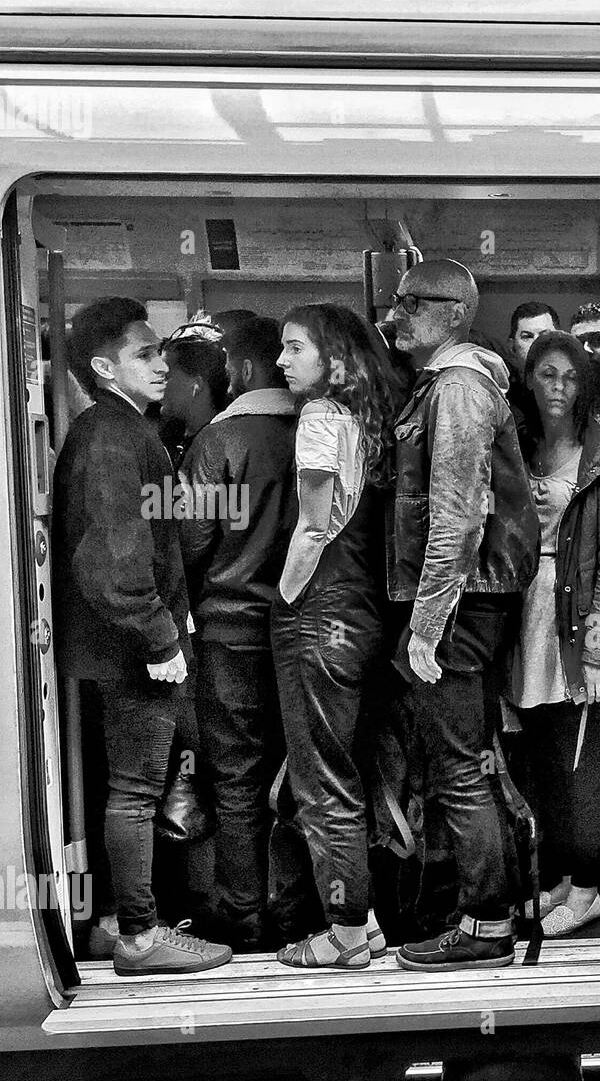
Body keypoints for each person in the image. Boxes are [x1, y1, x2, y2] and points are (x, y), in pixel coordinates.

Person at [53, 297, 231, 975]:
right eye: (145, 354)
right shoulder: (113, 438)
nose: (162, 365)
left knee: (125, 789)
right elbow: (111, 558)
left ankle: (113, 922)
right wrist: (161, 639)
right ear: (104, 368)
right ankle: (139, 936)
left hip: (120, 643)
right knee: (137, 792)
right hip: (133, 650)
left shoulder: (118, 430)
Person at [386, 259, 539, 970]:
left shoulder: (459, 387)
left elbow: (457, 515)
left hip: (461, 598)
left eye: (411, 302)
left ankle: (485, 925)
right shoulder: (449, 382)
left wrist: (426, 624)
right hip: (467, 595)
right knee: (460, 759)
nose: (397, 313)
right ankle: (481, 913)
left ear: (452, 313)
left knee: (456, 766)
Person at [271, 304, 397, 969]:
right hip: (366, 610)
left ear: (334, 358)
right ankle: (365, 921)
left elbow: (315, 525)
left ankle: (345, 934)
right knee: (347, 770)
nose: (281, 361)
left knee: (322, 781)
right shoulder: (369, 417)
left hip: (320, 608)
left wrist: (285, 597)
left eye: (296, 348)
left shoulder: (320, 416)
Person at [509, 330, 600, 938]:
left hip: (578, 623)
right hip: (528, 616)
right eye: (547, 375)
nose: (558, 387)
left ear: (585, 386)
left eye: (570, 377)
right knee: (548, 763)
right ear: (529, 380)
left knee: (582, 764)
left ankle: (588, 892)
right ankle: (564, 876)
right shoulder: (520, 444)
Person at [179, 315, 297, 951]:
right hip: (304, 631)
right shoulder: (321, 428)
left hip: (230, 631)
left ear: (243, 370)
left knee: (237, 778)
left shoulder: (219, 442)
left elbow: (191, 541)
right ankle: (305, 910)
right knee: (304, 775)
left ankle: (243, 915)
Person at [158, 331, 230, 466]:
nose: (157, 384)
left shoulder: (221, 454)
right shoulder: (170, 438)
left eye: (165, 377)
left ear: (196, 385)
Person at [505, 300, 560, 439]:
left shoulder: (576, 391)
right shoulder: (501, 399)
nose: (537, 343)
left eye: (545, 335)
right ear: (512, 347)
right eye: (527, 337)